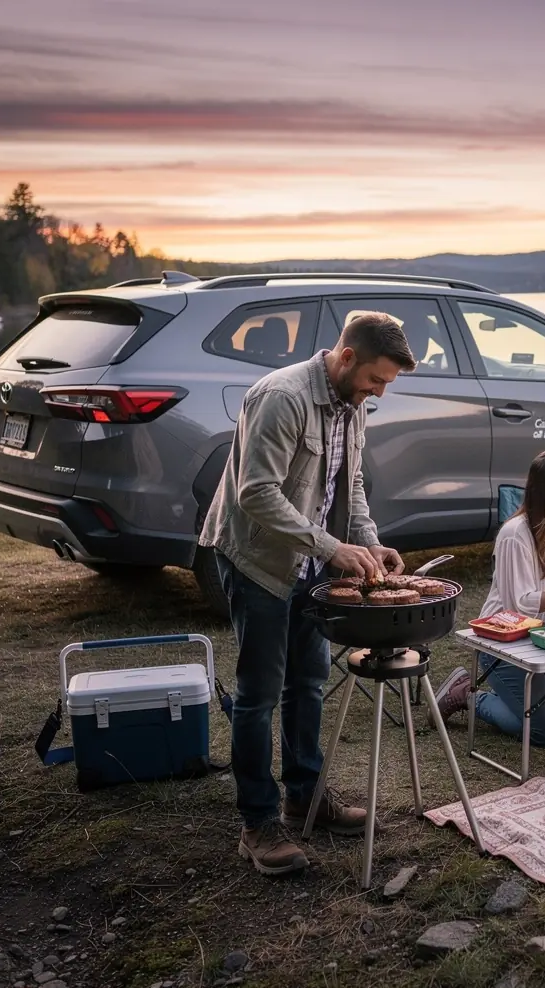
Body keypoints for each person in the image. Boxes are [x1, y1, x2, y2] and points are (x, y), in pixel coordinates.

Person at [200, 313, 416, 875]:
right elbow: (256, 493)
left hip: (310, 567)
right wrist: (329, 547)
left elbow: (353, 482)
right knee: (259, 694)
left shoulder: (354, 403)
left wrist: (368, 542)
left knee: (310, 682)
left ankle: (305, 798)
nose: (379, 391)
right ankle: (257, 823)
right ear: (347, 358)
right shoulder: (282, 397)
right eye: (376, 379)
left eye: (387, 384)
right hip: (259, 562)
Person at [433, 449, 545, 747]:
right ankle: (468, 695)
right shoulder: (515, 535)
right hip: (508, 642)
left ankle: (537, 700)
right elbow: (521, 605)